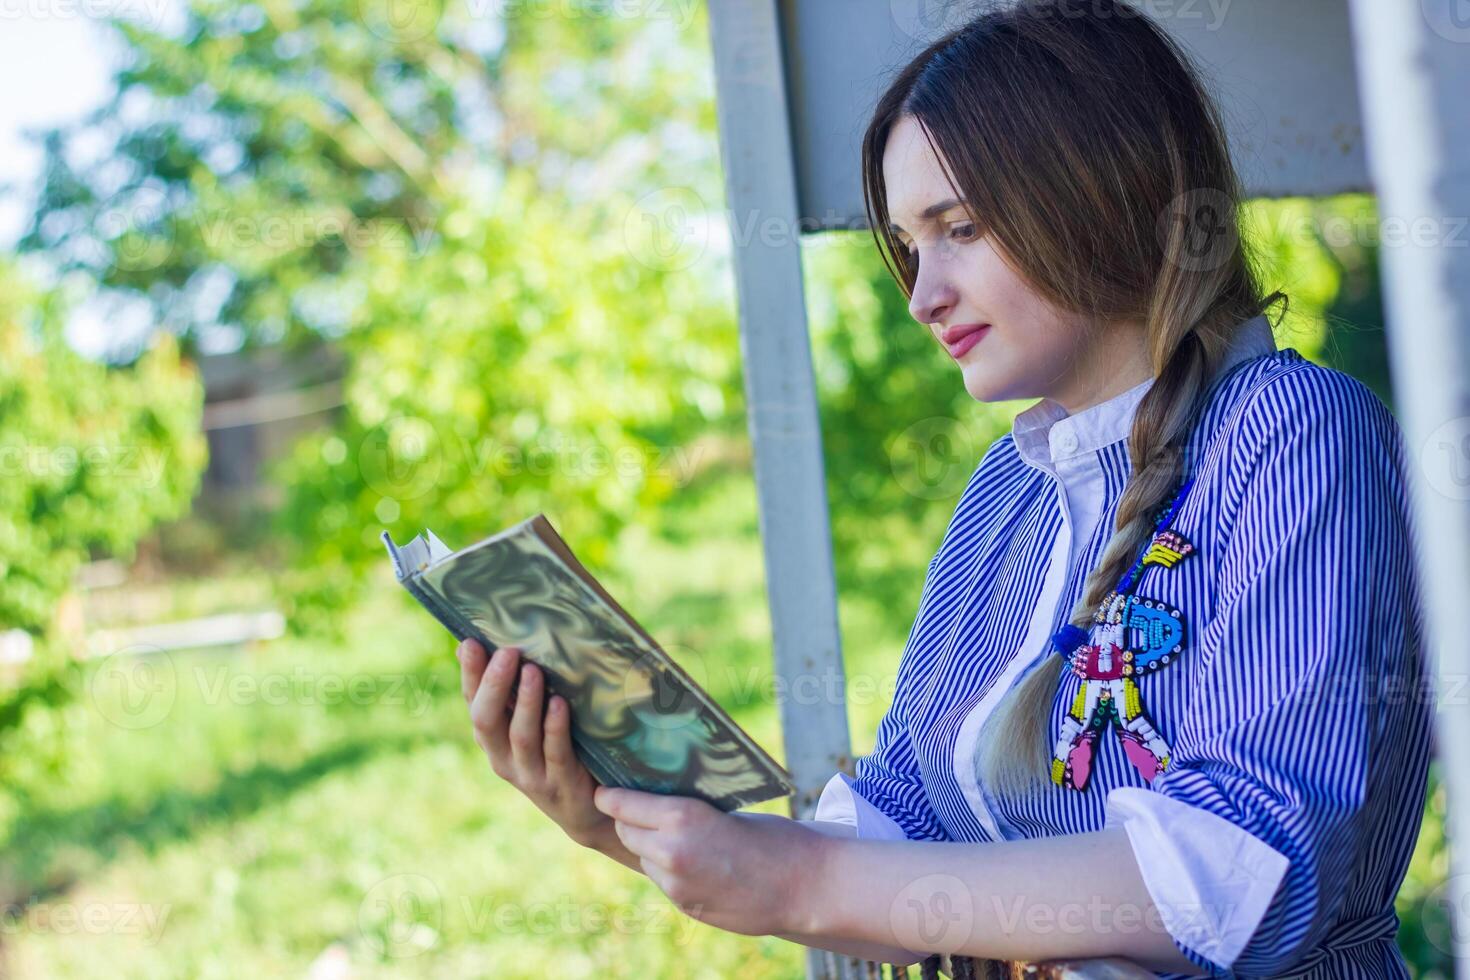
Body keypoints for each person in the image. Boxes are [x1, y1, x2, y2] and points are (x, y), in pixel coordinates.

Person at [455, 0, 1433, 975]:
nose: (923, 294)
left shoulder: (1293, 432)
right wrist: (625, 824)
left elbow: (1233, 875)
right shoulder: (1007, 489)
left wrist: (797, 878)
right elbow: (900, 830)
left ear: (1103, 192)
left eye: (957, 226)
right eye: (908, 246)